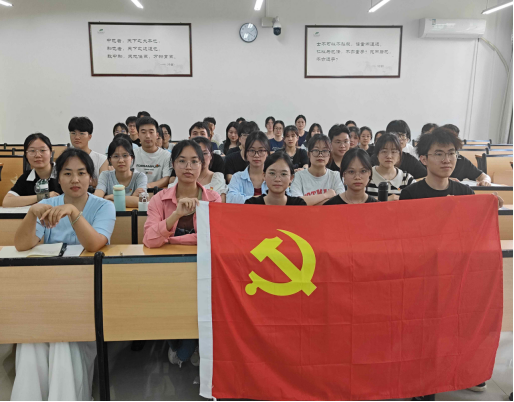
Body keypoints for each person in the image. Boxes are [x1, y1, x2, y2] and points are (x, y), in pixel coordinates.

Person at [400, 127, 503, 401]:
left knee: (456, 328)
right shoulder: (410, 194)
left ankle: (461, 373)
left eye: (452, 153)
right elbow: (405, 238)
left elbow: (473, 234)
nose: (447, 159)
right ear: (423, 159)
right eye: (439, 154)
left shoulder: (464, 192)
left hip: (455, 275)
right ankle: (423, 385)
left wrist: (489, 206)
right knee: (423, 332)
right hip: (422, 276)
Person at [12, 148, 116, 401]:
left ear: (91, 178)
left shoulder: (104, 207)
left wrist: (73, 213)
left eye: (81, 173)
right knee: (30, 340)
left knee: (62, 341)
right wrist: (31, 214)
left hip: (85, 294)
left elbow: (94, 244)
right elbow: (22, 245)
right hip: (47, 291)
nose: (75, 179)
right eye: (67, 173)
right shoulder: (48, 206)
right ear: (58, 178)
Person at [144, 139, 221, 368]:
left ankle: (194, 345)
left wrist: (172, 239)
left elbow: (215, 239)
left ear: (203, 164)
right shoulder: (159, 199)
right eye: (182, 161)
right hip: (168, 274)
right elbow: (149, 240)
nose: (188, 167)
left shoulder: (213, 198)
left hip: (204, 272)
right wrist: (175, 215)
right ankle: (179, 342)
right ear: (173, 164)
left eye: (194, 161)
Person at [3, 133, 62, 208]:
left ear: (51, 153)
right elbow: (7, 202)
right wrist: (43, 196)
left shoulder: (63, 173)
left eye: (42, 150)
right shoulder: (27, 177)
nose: (37, 155)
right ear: (26, 155)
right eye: (32, 151)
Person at [290, 134, 346, 206]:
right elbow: (296, 204)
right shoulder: (299, 176)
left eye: (325, 151)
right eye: (316, 150)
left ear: (329, 155)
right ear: (308, 154)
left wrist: (309, 202)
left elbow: (340, 203)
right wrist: (326, 195)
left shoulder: (335, 176)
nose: (320, 155)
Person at [169, 137, 228, 202]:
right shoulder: (183, 176)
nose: (201, 157)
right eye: (196, 154)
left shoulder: (217, 178)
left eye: (204, 153)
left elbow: (221, 204)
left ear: (211, 155)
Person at [95, 136, 148, 208]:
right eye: (116, 156)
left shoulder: (140, 177)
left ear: (131, 158)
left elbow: (142, 202)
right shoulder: (105, 175)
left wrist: (112, 197)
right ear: (110, 159)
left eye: (125, 155)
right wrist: (132, 198)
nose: (121, 160)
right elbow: (97, 199)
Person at [367, 134, 415, 201]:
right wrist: (387, 200)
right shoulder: (367, 176)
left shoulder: (407, 180)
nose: (389, 156)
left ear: (399, 155)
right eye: (384, 151)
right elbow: (358, 201)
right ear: (377, 154)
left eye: (394, 152)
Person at [227, 132, 271, 204]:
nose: (256, 155)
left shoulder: (273, 178)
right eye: (252, 150)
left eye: (261, 150)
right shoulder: (237, 177)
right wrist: (260, 200)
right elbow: (230, 199)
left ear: (267, 153)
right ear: (246, 153)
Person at [133, 116, 172, 189]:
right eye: (143, 132)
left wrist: (148, 186)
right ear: (138, 135)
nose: (148, 136)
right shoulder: (132, 154)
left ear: (157, 135)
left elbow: (166, 178)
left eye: (151, 132)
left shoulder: (166, 155)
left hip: (157, 192)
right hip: (135, 192)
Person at [68, 116, 108, 186]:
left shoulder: (101, 160)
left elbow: (104, 184)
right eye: (73, 133)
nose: (77, 137)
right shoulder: (65, 159)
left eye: (81, 133)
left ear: (89, 136)